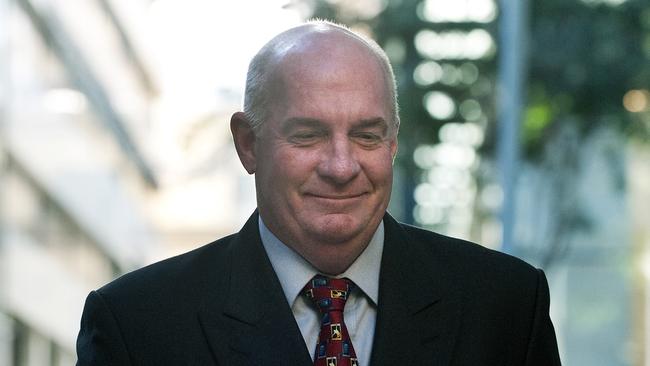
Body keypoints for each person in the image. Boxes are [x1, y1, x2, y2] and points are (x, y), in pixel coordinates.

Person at [76, 21, 561, 366]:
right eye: (308, 135)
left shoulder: (505, 309)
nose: (341, 166)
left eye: (367, 136)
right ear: (248, 144)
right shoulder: (137, 326)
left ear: (393, 142)